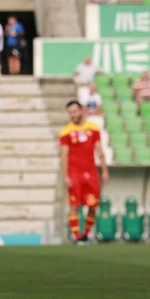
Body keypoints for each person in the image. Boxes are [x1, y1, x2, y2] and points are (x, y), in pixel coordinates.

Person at [59, 100, 109, 242]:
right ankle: (76, 237)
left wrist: (104, 170)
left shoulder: (93, 129)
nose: (73, 115)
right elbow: (64, 155)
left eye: (75, 112)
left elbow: (99, 150)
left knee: (92, 206)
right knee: (74, 205)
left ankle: (85, 234)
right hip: (74, 173)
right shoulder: (66, 132)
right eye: (70, 113)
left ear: (81, 111)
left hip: (91, 173)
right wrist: (65, 175)